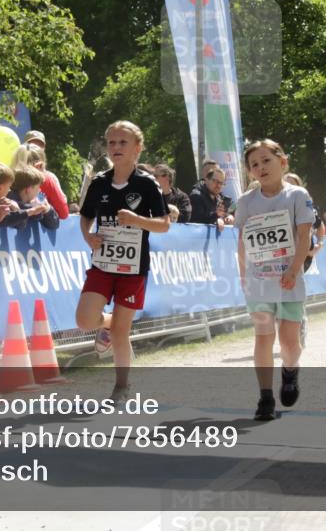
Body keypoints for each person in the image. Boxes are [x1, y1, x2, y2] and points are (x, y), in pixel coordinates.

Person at [74, 121, 169, 401]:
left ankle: (122, 387)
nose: (115, 147)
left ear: (137, 148)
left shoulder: (147, 184)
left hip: (133, 269)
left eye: (122, 143)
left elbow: (164, 224)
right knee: (84, 320)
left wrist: (137, 220)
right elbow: (85, 216)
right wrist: (88, 237)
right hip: (103, 264)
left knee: (120, 333)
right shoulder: (100, 182)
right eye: (111, 142)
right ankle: (109, 323)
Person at [235, 139, 314, 421]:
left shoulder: (297, 196)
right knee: (263, 338)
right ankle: (265, 396)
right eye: (254, 164)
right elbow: (243, 241)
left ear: (283, 162)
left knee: (289, 342)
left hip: (289, 279)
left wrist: (294, 269)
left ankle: (290, 372)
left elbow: (304, 235)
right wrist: (244, 275)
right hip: (259, 282)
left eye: (266, 160)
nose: (261, 167)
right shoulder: (246, 202)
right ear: (250, 173)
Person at [189, 166, 235, 231]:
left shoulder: (219, 197)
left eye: (221, 183)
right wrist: (216, 216)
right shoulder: (196, 196)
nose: (218, 185)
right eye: (215, 181)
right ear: (206, 180)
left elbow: (234, 207)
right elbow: (197, 221)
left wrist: (230, 216)